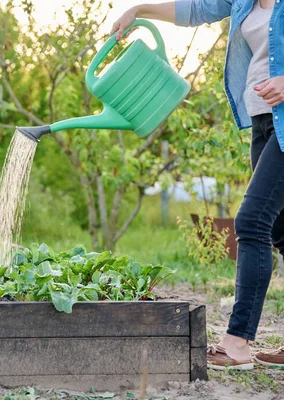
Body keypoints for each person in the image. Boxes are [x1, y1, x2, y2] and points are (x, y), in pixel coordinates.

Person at [111, 0, 284, 370]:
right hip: (263, 118)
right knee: (281, 230)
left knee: (252, 222)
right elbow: (196, 9)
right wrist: (138, 10)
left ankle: (237, 343)